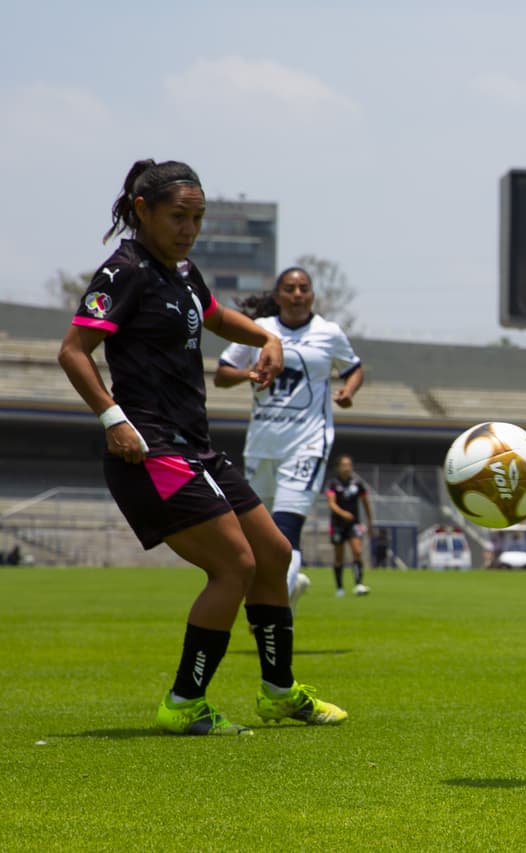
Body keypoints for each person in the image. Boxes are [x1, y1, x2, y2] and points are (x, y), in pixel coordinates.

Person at [57, 159, 346, 734]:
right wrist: (113, 419)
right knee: (234, 565)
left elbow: (215, 317)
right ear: (143, 211)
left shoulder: (183, 271)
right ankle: (184, 702)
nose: (189, 229)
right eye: (178, 217)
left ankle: (279, 693)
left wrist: (265, 335)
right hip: (149, 450)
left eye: (197, 218)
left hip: (195, 446)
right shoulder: (124, 271)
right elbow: (72, 351)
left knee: (274, 555)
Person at [214, 266, 364, 613]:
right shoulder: (260, 330)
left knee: (285, 532)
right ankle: (290, 588)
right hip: (262, 445)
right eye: (290, 288)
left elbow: (353, 368)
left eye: (304, 288)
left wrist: (348, 390)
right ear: (277, 295)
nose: (297, 294)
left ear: (312, 295)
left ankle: (271, 613)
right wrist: (248, 373)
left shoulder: (328, 333)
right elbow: (221, 374)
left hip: (307, 444)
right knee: (258, 539)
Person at [326, 454, 373, 596]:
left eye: (349, 465)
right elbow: (331, 504)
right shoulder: (333, 484)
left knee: (357, 552)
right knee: (339, 557)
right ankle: (339, 588)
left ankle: (358, 584)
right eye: (344, 465)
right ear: (338, 467)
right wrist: (343, 513)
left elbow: (366, 503)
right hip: (338, 525)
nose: (347, 468)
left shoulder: (357, 484)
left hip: (354, 524)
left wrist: (370, 522)